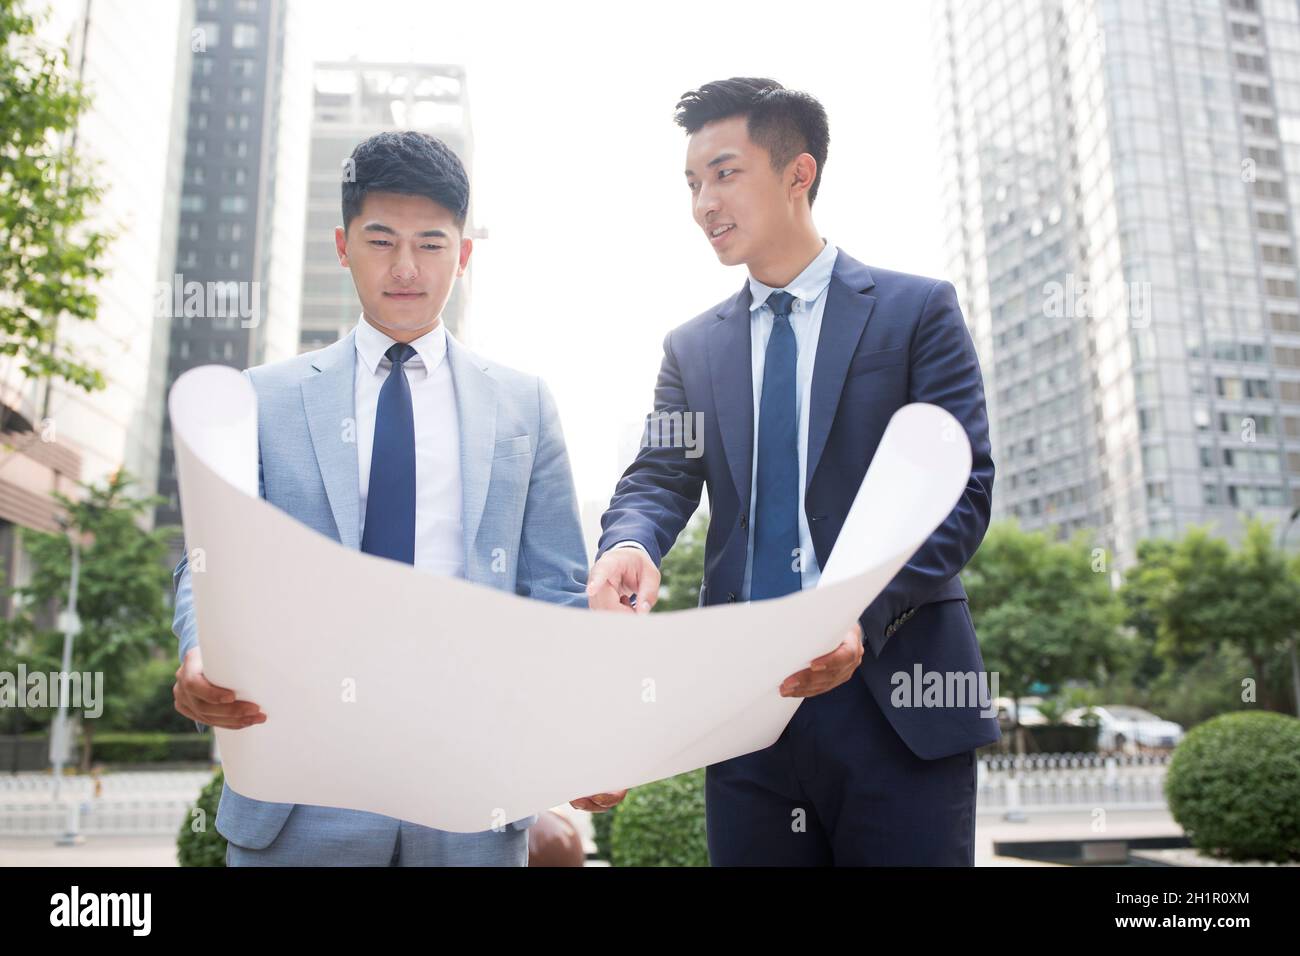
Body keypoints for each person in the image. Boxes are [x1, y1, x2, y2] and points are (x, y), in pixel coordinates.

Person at [578, 78, 1000, 865]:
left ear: (798, 173)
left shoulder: (917, 312)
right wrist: (627, 544)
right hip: (746, 714)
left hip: (898, 696)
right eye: (693, 182)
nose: (705, 202)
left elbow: (963, 491)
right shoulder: (692, 349)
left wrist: (858, 615)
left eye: (725, 173)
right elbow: (660, 477)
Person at [171, 130, 587, 866]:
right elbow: (208, 558)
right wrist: (201, 646)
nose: (405, 268)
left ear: (463, 255)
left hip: (470, 785)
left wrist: (584, 729)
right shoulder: (261, 400)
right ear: (342, 245)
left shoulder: (524, 405)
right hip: (302, 787)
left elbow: (557, 587)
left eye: (430, 244)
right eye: (381, 240)